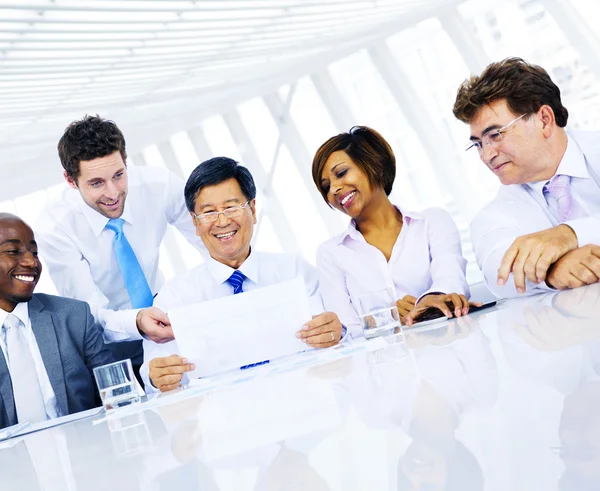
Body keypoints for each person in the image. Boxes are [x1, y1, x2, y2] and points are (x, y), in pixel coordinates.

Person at [144, 157, 344, 392]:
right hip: (222, 419)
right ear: (195, 223)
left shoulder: (296, 272)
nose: (222, 221)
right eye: (208, 212)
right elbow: (153, 375)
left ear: (252, 209)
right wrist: (156, 377)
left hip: (302, 402)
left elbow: (339, 337)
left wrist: (336, 333)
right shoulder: (174, 298)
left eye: (231, 207)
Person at [36, 115, 204, 379]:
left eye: (118, 175)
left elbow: (210, 243)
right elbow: (91, 314)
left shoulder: (159, 185)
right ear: (71, 181)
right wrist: (136, 322)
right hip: (108, 344)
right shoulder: (55, 228)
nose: (113, 193)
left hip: (166, 321)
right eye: (96, 183)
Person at [453, 57, 600, 298]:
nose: (487, 155)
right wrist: (551, 270)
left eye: (496, 135)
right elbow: (496, 269)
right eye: (479, 144)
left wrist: (569, 235)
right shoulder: (491, 216)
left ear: (544, 119)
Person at [311, 126, 473, 334]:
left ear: (374, 165)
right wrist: (388, 315)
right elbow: (344, 330)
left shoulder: (432, 222)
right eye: (326, 187)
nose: (334, 189)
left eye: (341, 173)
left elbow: (451, 280)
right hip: (387, 363)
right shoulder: (331, 253)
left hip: (448, 351)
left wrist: (427, 303)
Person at [0, 213, 112, 429]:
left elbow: (113, 393)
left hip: (84, 450)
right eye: (13, 252)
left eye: (34, 252)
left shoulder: (74, 316)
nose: (31, 262)